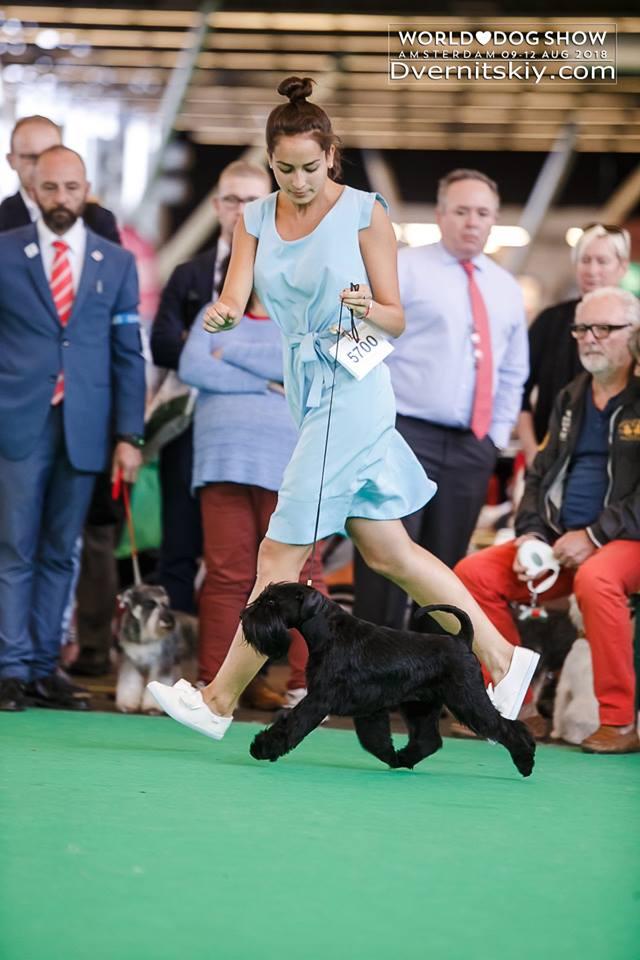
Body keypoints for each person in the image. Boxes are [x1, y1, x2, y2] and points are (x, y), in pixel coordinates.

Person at [147, 75, 539, 741]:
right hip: (307, 387)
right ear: (271, 161)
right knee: (391, 552)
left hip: (350, 388)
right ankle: (503, 659)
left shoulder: (364, 212)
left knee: (278, 554)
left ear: (330, 154)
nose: (299, 181)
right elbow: (236, 295)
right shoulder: (253, 218)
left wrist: (365, 310)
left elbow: (394, 318)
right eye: (285, 169)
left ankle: (217, 700)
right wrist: (223, 313)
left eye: (310, 167)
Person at [455, 287, 640, 754]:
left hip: (626, 541)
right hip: (561, 540)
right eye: (582, 328)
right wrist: (532, 535)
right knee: (473, 574)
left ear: (635, 334)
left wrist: (595, 535)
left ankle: (619, 721)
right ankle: (516, 708)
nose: (590, 338)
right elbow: (537, 475)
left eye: (604, 329)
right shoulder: (571, 396)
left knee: (597, 579)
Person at [0, 146, 145, 712]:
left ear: (87, 190)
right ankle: (11, 668)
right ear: (33, 190)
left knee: (63, 550)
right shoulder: (5, 251)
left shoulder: (118, 261)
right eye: (50, 187)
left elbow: (128, 354)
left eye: (72, 187)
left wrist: (129, 436)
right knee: (14, 546)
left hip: (86, 427)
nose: (61, 198)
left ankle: (44, 668)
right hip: (17, 421)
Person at [353, 168, 529, 629]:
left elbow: (513, 371)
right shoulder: (403, 268)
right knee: (387, 562)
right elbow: (363, 344)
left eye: (483, 213)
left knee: (447, 570)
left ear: (494, 219)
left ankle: (430, 674)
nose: (472, 222)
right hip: (402, 434)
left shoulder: (506, 287)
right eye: (462, 211)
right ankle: (370, 673)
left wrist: (493, 436)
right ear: (440, 214)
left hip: (472, 445)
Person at [179, 282, 326, 709]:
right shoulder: (215, 312)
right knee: (225, 575)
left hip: (292, 465)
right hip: (222, 461)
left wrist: (228, 354)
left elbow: (305, 370)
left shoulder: (307, 319)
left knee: (302, 577)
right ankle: (213, 684)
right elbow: (192, 367)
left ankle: (310, 686)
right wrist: (268, 381)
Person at [150, 161, 272, 615]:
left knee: (256, 557)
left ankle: (254, 651)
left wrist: (215, 353)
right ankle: (178, 647)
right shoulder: (189, 274)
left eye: (252, 201)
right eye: (233, 200)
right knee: (179, 545)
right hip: (187, 423)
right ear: (217, 205)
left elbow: (290, 356)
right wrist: (264, 377)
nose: (241, 210)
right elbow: (164, 346)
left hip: (260, 436)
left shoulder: (284, 275)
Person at [518, 223, 630, 465]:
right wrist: (532, 452)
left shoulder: (634, 324)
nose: (592, 270)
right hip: (550, 459)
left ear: (622, 267)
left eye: (602, 261)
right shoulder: (550, 321)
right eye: (585, 260)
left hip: (619, 463)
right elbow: (518, 389)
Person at [0, 115, 121, 243]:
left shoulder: (98, 219)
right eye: (32, 157)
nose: (43, 164)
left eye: (51, 153)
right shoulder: (3, 220)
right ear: (11, 161)